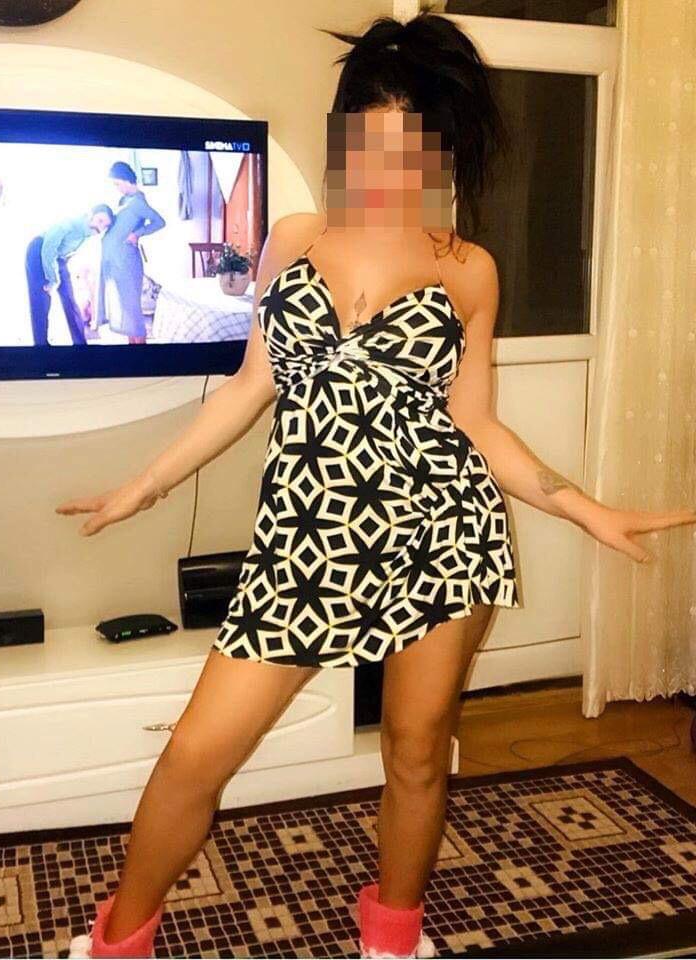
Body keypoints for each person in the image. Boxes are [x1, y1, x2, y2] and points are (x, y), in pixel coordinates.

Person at [56, 10, 696, 960]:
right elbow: (253, 385)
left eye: (411, 154)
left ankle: (393, 938)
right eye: (370, 147)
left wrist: (584, 508)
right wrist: (142, 487)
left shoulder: (469, 270)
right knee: (194, 755)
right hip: (303, 543)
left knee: (416, 749)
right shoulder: (293, 238)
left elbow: (477, 427)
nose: (387, 176)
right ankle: (116, 944)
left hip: (440, 536)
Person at [95, 160, 166, 344]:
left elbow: (159, 222)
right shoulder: (124, 201)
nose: (117, 188)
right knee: (124, 310)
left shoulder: (138, 202)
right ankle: (131, 350)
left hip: (127, 263)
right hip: (116, 262)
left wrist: (137, 234)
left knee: (132, 311)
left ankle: (142, 352)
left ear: (127, 180)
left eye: (117, 184)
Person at [25, 205, 114, 346]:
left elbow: (66, 252)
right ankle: (41, 347)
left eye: (105, 226)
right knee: (41, 300)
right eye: (100, 221)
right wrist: (52, 279)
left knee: (69, 298)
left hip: (58, 259)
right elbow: (48, 249)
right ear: (90, 214)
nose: (100, 228)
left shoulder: (86, 234)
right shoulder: (69, 223)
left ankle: (80, 344)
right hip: (39, 252)